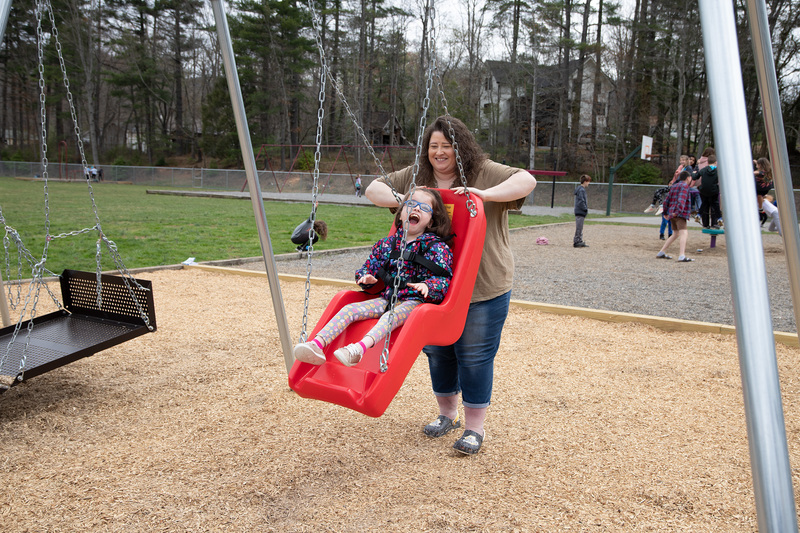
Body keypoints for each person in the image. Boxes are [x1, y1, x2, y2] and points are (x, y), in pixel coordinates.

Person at [365, 116, 537, 455]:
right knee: (438, 352)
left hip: (482, 283)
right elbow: (373, 188)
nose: (439, 153)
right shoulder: (420, 178)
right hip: (431, 284)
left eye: (446, 145)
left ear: (461, 146)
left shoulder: (484, 171)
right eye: (433, 146)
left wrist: (484, 195)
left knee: (473, 355)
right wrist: (402, 198)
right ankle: (448, 414)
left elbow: (527, 180)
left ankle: (474, 428)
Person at [293, 188, 453, 367]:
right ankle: (316, 344)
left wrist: (428, 286)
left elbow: (443, 279)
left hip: (414, 303)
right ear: (400, 215)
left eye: (423, 207)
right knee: (350, 309)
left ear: (430, 221)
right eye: (411, 204)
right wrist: (366, 278)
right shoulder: (387, 244)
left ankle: (358, 349)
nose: (416, 209)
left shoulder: (436, 247)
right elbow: (368, 266)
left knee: (390, 317)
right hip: (386, 297)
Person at [656, 170, 694, 262]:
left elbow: (667, 200)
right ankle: (682, 255)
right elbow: (681, 200)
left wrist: (665, 212)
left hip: (671, 213)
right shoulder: (684, 186)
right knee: (684, 233)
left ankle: (661, 252)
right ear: (688, 178)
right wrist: (678, 212)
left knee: (675, 233)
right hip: (679, 214)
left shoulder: (674, 186)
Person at [694, 153, 721, 228]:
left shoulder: (703, 170)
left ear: (707, 162)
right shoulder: (717, 170)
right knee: (715, 205)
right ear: (715, 162)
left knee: (704, 203)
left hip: (704, 190)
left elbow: (695, 177)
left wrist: (693, 174)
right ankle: (719, 219)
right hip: (713, 190)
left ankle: (699, 215)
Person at [754, 158, 773, 225]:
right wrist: (756, 162)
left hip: (760, 188)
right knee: (760, 196)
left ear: (760, 165)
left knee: (759, 196)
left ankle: (760, 208)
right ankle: (761, 206)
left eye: (758, 164)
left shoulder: (760, 172)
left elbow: (755, 172)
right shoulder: (767, 170)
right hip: (766, 188)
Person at [573, 174, 591, 247]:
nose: (589, 183)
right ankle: (577, 241)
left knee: (580, 227)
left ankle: (579, 240)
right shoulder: (581, 190)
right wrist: (585, 209)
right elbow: (581, 201)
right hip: (580, 211)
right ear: (585, 181)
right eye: (588, 181)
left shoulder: (580, 189)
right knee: (579, 227)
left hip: (579, 211)